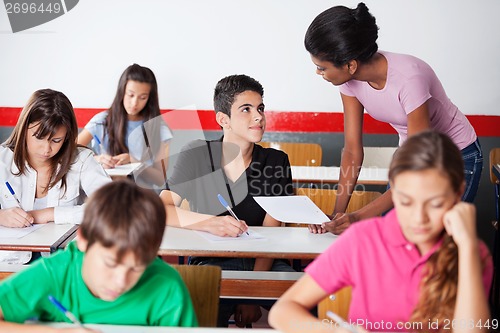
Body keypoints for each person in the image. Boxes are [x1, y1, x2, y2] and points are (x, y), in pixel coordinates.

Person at [269, 131, 493, 333]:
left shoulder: (472, 252)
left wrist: (468, 249)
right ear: (393, 191)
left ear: (458, 194)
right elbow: (283, 312)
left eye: (434, 204)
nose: (419, 217)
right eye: (406, 202)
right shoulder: (364, 240)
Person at [304, 3, 483, 235]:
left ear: (350, 65)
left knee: (434, 240)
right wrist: (337, 215)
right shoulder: (348, 81)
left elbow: (418, 166)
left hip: (456, 156)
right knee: (393, 238)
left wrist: (357, 217)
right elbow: (352, 151)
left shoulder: (409, 79)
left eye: (321, 67)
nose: (318, 73)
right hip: (412, 156)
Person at [160, 74, 295, 327]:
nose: (258, 117)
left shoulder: (276, 161)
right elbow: (161, 209)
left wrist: (252, 292)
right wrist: (210, 223)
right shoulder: (196, 154)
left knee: (304, 303)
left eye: (260, 108)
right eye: (246, 109)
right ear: (223, 119)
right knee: (199, 311)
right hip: (211, 260)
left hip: (263, 261)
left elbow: (271, 230)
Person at [0, 180, 198, 331]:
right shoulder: (55, 274)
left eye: (137, 268)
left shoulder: (166, 286)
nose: (120, 281)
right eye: (111, 263)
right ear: (83, 240)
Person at [0, 89, 111, 264]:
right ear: (24, 128)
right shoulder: (3, 159)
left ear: (67, 136)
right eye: (39, 138)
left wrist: (49, 214)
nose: (46, 149)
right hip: (10, 263)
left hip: (65, 262)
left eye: (56, 140)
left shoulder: (81, 160)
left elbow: (113, 206)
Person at [77, 63, 172, 188]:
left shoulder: (159, 128)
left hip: (141, 196)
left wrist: (135, 162)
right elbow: (70, 153)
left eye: (142, 97)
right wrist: (97, 159)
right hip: (105, 192)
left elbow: (160, 179)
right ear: (122, 91)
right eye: (130, 95)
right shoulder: (102, 121)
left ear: (150, 98)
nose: (134, 103)